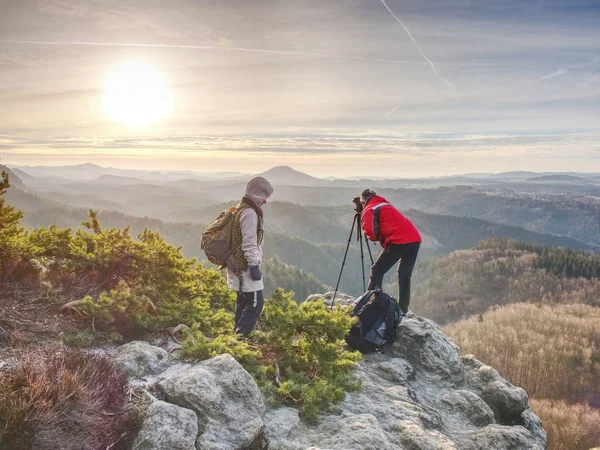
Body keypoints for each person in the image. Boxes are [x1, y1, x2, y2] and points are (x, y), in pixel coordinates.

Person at [360, 188, 421, 318]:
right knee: (404, 275)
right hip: (415, 239)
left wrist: (362, 217)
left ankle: (371, 304)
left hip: (399, 241)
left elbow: (370, 232)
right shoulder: (384, 204)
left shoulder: (369, 209)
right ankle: (403, 309)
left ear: (364, 200)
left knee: (377, 270)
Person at [227, 176, 274, 337]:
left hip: (237, 266)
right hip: (245, 268)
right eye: (264, 196)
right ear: (255, 194)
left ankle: (235, 338)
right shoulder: (249, 214)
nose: (265, 201)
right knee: (255, 304)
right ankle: (240, 339)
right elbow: (249, 244)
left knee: (242, 302)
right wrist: (254, 267)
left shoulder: (241, 208)